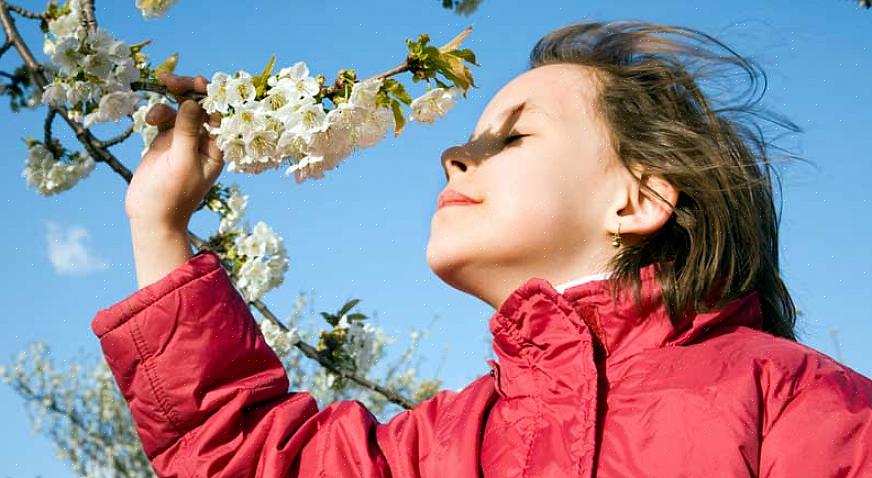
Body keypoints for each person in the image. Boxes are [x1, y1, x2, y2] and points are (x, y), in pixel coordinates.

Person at [93, 20, 871, 477]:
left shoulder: (795, 399)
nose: (455, 156)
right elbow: (248, 455)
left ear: (636, 199)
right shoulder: (439, 447)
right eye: (467, 139)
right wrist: (160, 224)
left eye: (513, 137)